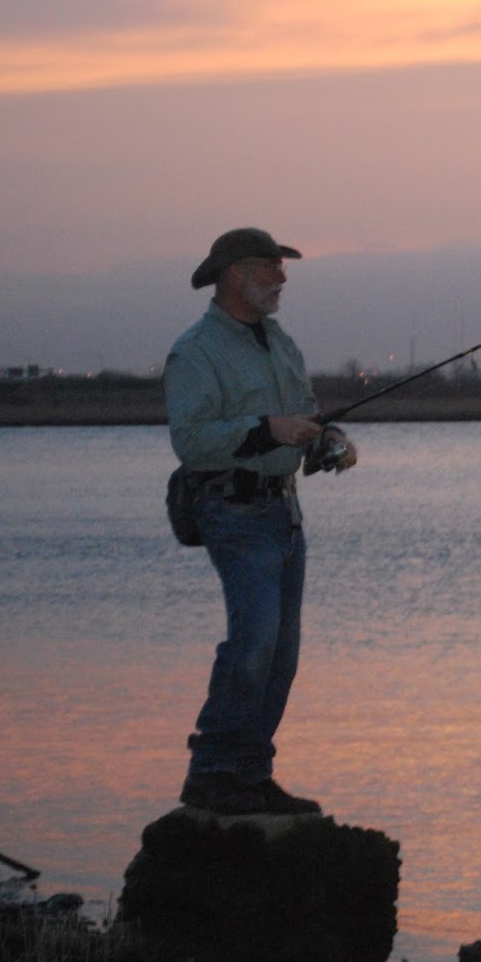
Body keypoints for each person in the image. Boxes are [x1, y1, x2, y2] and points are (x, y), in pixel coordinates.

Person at [163, 227, 357, 815]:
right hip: (232, 512)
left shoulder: (280, 343)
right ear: (234, 274)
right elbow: (191, 440)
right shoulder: (195, 351)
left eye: (280, 266)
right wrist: (267, 429)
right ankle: (212, 773)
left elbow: (305, 416)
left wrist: (328, 439)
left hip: (284, 511)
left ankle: (250, 775)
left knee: (281, 655)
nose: (281, 277)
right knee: (254, 642)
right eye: (270, 266)